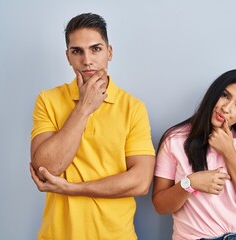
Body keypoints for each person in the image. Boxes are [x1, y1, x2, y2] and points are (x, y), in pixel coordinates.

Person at [29, 13, 156, 240]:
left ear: (110, 52)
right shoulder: (47, 100)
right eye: (77, 51)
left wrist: (73, 189)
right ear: (68, 57)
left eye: (95, 49)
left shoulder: (133, 107)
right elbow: (46, 168)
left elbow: (140, 182)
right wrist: (83, 109)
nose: (87, 60)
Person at [152, 69, 236, 240]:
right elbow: (160, 206)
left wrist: (229, 152)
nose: (226, 108)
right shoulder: (175, 139)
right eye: (225, 95)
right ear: (214, 92)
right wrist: (190, 183)